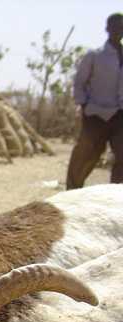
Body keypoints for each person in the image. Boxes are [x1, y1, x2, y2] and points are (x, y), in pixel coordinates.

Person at [66, 12, 123, 189]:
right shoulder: (95, 56)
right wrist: (83, 105)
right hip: (95, 114)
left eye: (121, 27)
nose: (118, 30)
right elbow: (79, 82)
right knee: (85, 155)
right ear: (107, 29)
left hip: (119, 114)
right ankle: (71, 194)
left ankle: (116, 197)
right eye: (115, 26)